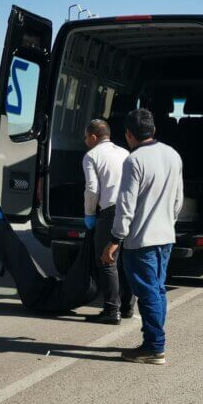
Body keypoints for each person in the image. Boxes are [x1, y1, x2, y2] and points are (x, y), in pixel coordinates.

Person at [102, 109, 183, 365]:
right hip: (166, 237)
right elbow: (178, 200)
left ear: (128, 135)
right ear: (154, 130)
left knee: (148, 294)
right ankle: (153, 340)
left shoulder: (134, 161)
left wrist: (115, 239)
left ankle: (154, 347)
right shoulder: (173, 154)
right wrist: (167, 223)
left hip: (141, 241)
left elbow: (125, 206)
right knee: (157, 291)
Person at [81, 119, 132, 325]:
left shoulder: (91, 156)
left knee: (107, 260)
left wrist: (90, 214)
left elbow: (92, 189)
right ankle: (127, 306)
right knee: (125, 259)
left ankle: (112, 310)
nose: (85, 141)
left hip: (110, 212)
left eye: (86, 137)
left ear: (94, 137)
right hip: (130, 211)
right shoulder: (125, 153)